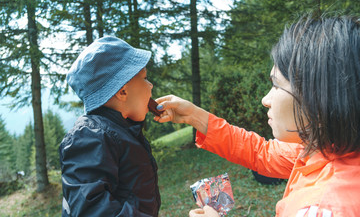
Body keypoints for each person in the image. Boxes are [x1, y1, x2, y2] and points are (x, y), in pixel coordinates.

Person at [154, 16, 360, 217]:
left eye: (276, 85)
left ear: (320, 99)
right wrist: (194, 115)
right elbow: (260, 152)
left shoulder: (325, 207)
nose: (265, 100)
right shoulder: (326, 148)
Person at [59, 36, 160, 216]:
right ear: (122, 91)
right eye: (144, 78)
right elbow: (91, 210)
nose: (150, 85)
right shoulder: (89, 136)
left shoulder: (121, 130)